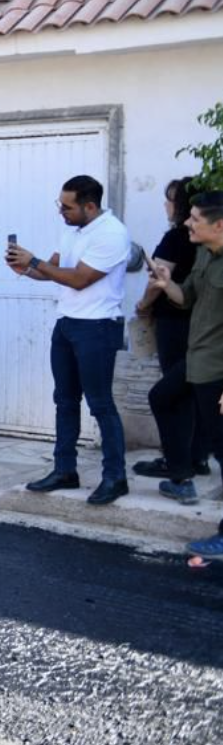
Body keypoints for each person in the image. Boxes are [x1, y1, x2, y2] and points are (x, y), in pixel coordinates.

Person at [11, 175, 134, 505]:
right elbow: (53, 269)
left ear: (90, 206)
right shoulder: (72, 229)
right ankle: (65, 470)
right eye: (60, 205)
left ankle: (115, 476)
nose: (60, 212)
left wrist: (34, 263)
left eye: (67, 207)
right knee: (64, 400)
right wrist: (25, 267)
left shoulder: (112, 233)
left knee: (100, 404)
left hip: (97, 327)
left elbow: (80, 279)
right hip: (67, 323)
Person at [144, 192, 223, 559]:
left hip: (218, 373)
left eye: (194, 219)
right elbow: (185, 297)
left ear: (218, 225)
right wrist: (164, 284)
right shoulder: (207, 255)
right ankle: (181, 476)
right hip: (197, 361)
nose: (187, 223)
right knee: (161, 396)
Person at [138, 178, 208, 482]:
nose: (166, 206)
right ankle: (196, 458)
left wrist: (143, 305)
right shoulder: (205, 247)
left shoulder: (177, 238)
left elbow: (156, 283)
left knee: (173, 394)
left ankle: (177, 463)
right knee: (190, 394)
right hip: (198, 325)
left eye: (170, 200)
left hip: (180, 326)